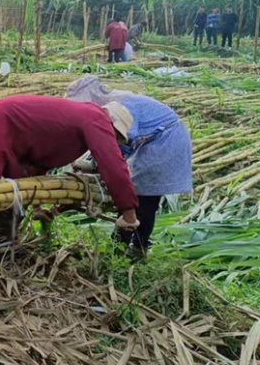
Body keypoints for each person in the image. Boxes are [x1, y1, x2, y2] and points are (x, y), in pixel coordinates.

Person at [0, 94, 140, 275]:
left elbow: (40, 158)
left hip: (13, 146)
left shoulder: (85, 119)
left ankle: (5, 252)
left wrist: (38, 205)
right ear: (112, 125)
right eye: (115, 137)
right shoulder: (97, 119)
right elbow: (113, 166)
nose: (113, 140)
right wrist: (129, 214)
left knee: (16, 203)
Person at [65, 76, 193, 260]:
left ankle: (123, 248)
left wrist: (98, 164)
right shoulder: (116, 104)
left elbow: (118, 140)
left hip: (165, 143)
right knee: (142, 195)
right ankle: (134, 246)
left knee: (139, 195)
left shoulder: (121, 107)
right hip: (161, 141)